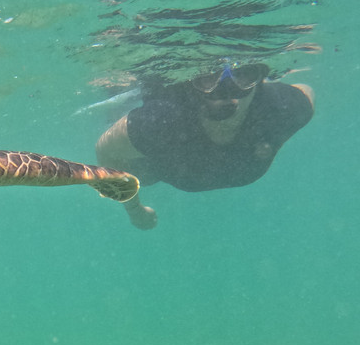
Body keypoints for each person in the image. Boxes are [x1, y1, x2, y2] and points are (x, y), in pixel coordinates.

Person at [94, 64, 314, 230]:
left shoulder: (280, 108)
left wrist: (274, 135)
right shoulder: (161, 121)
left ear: (259, 80)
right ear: (193, 84)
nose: (228, 94)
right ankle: (116, 106)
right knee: (143, 178)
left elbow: (307, 92)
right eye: (208, 77)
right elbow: (105, 150)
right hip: (160, 164)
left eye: (244, 74)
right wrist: (134, 209)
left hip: (184, 168)